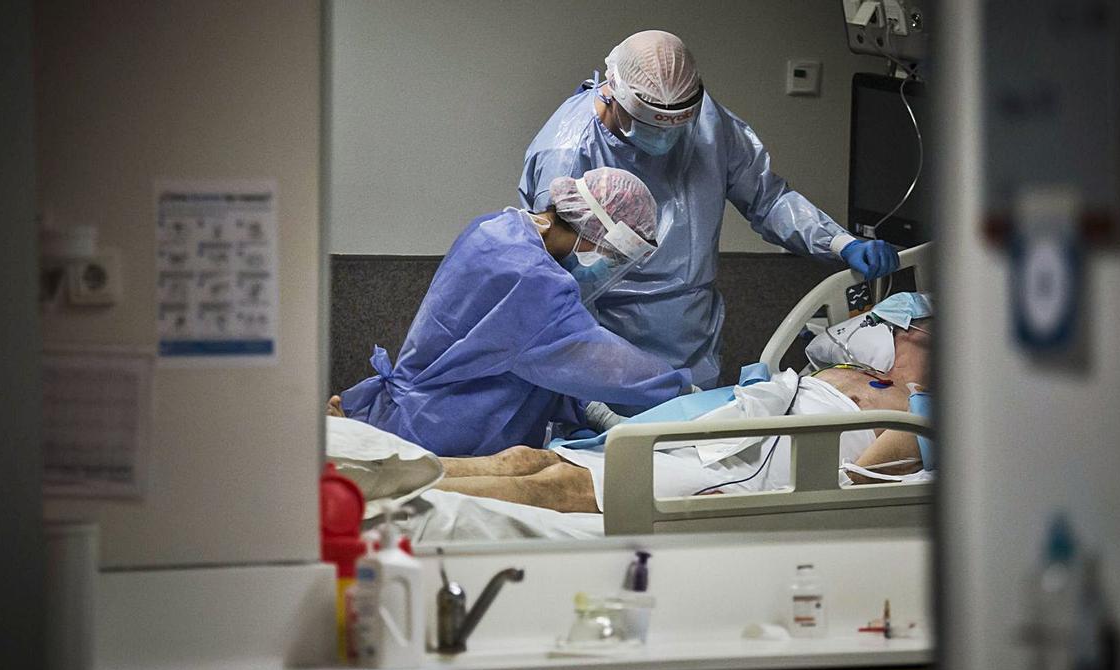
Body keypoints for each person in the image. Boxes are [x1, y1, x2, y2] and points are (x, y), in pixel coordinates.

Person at [520, 30, 901, 388]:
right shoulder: (568, 151)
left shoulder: (706, 123)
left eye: (676, 126)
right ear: (613, 95)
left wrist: (839, 242)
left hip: (691, 324)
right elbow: (553, 277)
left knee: (697, 435)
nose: (667, 139)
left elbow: (768, 199)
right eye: (652, 126)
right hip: (607, 331)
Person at [334, 317, 933, 513]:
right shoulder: (855, 370)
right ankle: (372, 471)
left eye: (920, 330)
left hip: (755, 468)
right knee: (527, 457)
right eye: (909, 323)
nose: (909, 328)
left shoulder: (921, 412)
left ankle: (378, 499)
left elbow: (857, 487)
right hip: (718, 432)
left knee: (564, 485)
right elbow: (777, 381)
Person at [332, 167, 694, 457]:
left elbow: (521, 357)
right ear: (591, 235)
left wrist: (589, 410)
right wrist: (684, 392)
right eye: (611, 257)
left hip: (426, 413)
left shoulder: (499, 229)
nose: (607, 268)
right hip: (444, 438)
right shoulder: (533, 280)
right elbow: (602, 363)